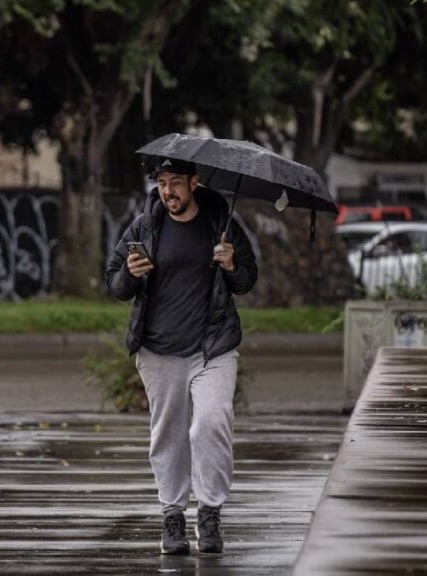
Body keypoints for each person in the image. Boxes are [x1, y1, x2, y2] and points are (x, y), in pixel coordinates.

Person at [104, 157, 258, 555]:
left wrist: (232, 263)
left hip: (213, 347)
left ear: (194, 182)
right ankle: (172, 516)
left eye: (175, 183)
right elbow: (115, 282)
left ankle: (208, 511)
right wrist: (130, 275)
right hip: (159, 350)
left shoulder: (220, 223)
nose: (167, 191)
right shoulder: (145, 225)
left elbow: (247, 280)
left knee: (211, 423)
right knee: (168, 436)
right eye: (161, 183)